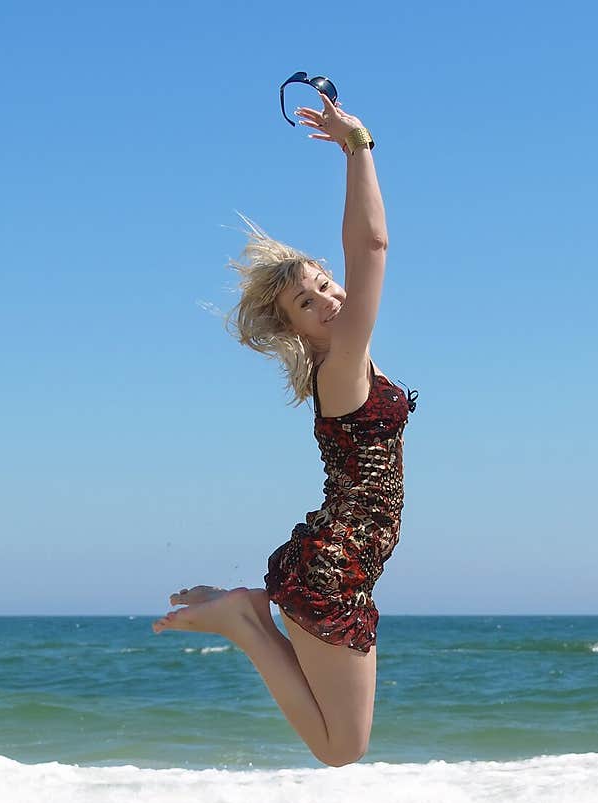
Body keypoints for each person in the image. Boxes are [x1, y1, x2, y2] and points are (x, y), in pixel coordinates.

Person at [153, 90, 416, 767]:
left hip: (340, 566)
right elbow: (374, 245)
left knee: (344, 747)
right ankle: (245, 622)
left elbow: (360, 260)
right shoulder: (341, 365)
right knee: (340, 750)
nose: (331, 298)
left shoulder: (350, 363)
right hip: (331, 573)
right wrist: (358, 147)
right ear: (295, 331)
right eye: (310, 301)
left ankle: (248, 610)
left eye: (326, 284)